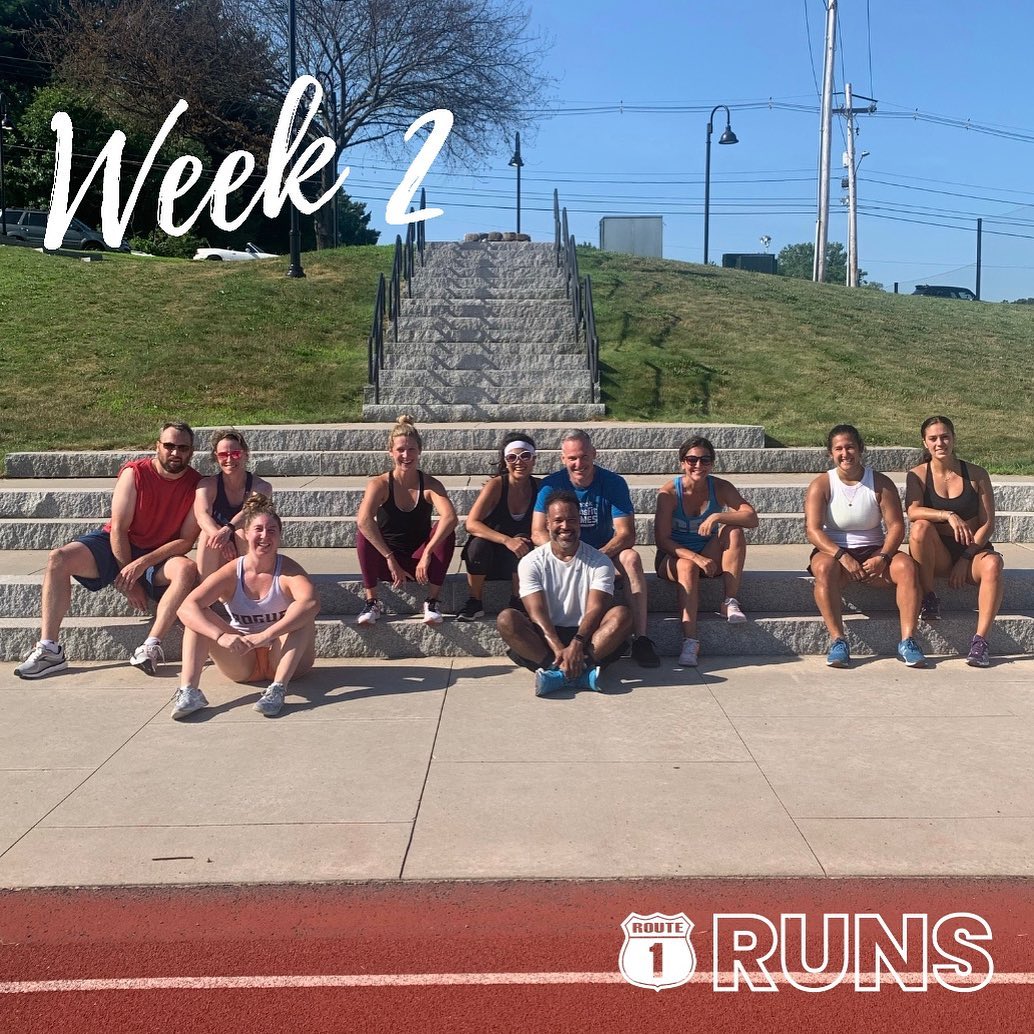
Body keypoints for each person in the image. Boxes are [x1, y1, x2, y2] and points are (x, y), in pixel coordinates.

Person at [15, 421, 201, 679]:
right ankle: (49, 649)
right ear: (157, 446)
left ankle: (150, 646)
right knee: (58, 558)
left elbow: (185, 541)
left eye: (183, 448)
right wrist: (128, 582)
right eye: (169, 446)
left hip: (158, 554)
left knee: (187, 568)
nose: (175, 452)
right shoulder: (135, 473)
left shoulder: (197, 485)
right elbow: (118, 529)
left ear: (191, 451)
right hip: (116, 544)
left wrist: (142, 564)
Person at [172, 493, 319, 719]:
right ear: (246, 534)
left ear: (280, 536)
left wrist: (265, 635)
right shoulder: (232, 572)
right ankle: (189, 692)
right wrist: (221, 636)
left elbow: (312, 603)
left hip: (283, 659)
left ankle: (278, 690)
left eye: (272, 530)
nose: (264, 536)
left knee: (301, 615)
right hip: (242, 658)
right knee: (197, 617)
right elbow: (185, 607)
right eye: (258, 529)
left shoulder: (289, 571)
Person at [531, 429, 658, 668]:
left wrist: (594, 558)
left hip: (602, 553)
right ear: (563, 459)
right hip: (563, 552)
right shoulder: (550, 485)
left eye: (584, 457)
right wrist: (566, 554)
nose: (579, 464)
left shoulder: (613, 483)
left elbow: (626, 534)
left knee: (631, 558)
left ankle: (641, 638)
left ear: (594, 454)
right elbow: (537, 532)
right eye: (572, 458)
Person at [805, 424, 927, 669]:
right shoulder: (822, 484)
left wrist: (883, 556)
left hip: (874, 551)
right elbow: (813, 530)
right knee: (823, 569)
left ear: (860, 448)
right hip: (835, 552)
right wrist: (842, 556)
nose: (845, 454)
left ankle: (908, 641)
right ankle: (838, 641)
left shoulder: (880, 482)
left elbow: (896, 526)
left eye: (850, 447)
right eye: (838, 449)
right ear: (830, 453)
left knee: (907, 567)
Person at [498, 490, 634, 695]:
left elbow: (596, 609)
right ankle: (568, 670)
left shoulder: (600, 561)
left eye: (571, 520)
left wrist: (577, 644)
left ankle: (560, 674)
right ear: (547, 524)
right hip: (546, 636)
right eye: (558, 520)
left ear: (579, 522)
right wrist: (559, 649)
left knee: (623, 615)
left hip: (588, 637)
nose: (565, 526)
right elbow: (536, 612)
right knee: (506, 619)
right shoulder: (530, 562)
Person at [905, 415, 1005, 667]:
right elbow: (913, 511)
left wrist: (966, 557)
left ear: (954, 438)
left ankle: (980, 642)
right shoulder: (917, 475)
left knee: (994, 564)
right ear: (925, 442)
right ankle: (929, 596)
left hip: (972, 550)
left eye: (945, 437)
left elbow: (987, 524)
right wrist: (947, 515)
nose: (940, 443)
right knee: (920, 528)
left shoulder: (976, 474)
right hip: (937, 553)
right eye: (933, 438)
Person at [654, 436, 759, 667]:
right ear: (682, 462)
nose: (698, 465)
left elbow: (752, 518)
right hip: (674, 557)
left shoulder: (720, 487)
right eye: (692, 460)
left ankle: (730, 601)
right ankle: (690, 641)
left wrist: (718, 516)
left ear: (712, 463)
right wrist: (695, 557)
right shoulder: (669, 492)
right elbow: (662, 540)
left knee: (734, 530)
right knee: (687, 566)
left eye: (705, 460)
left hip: (707, 553)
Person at [355, 415, 457, 626]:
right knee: (363, 533)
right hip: (388, 564)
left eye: (411, 449)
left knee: (446, 530)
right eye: (400, 450)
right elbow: (364, 520)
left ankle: (432, 601)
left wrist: (427, 553)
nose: (406, 455)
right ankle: (372, 602)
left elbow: (450, 517)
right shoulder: (379, 484)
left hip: (421, 564)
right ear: (391, 452)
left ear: (419, 451)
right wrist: (390, 558)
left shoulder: (430, 485)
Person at [455, 434, 541, 621]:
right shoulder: (496, 486)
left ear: (534, 459)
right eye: (512, 457)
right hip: (488, 560)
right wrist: (506, 540)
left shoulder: (540, 487)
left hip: (520, 561)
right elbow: (471, 523)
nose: (519, 462)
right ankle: (475, 601)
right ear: (505, 461)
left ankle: (518, 600)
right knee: (478, 545)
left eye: (525, 456)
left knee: (523, 539)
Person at [193, 428, 273, 580]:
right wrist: (221, 538)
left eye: (235, 454)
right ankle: (206, 590)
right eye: (223, 455)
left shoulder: (261, 487)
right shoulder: (207, 485)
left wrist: (228, 530)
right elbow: (202, 516)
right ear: (216, 457)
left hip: (249, 547)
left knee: (241, 532)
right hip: (218, 551)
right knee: (207, 535)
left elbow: (250, 512)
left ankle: (250, 587)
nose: (229, 459)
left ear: (245, 455)